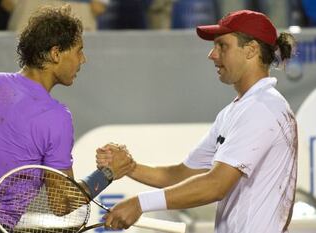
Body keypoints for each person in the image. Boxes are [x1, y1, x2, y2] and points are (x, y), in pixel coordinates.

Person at [0, 6, 134, 233]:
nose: (83, 59)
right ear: (56, 53)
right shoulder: (55, 116)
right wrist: (107, 173)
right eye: (79, 51)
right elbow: (62, 203)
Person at [97, 10, 298, 233]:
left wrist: (139, 203)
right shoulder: (237, 110)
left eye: (223, 46)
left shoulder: (262, 108)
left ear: (250, 50)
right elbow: (181, 175)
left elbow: (215, 185)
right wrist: (130, 168)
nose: (212, 54)